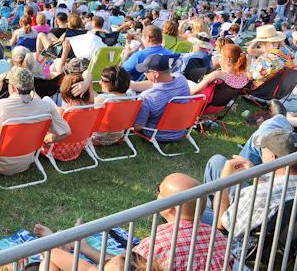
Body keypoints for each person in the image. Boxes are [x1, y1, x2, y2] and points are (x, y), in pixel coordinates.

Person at [34, 173, 230, 271]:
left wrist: (54, 248)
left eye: (158, 191)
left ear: (169, 207)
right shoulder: (218, 238)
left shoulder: (156, 245)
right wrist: (84, 248)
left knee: (49, 263)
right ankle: (70, 245)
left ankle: (49, 245)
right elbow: (125, 265)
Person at [203, 128, 297, 258]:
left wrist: (223, 180)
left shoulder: (259, 195)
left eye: (262, 149)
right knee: (217, 161)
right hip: (273, 234)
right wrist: (256, 176)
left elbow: (222, 225)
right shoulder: (282, 183)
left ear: (272, 157)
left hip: (238, 243)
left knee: (180, 205)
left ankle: (205, 233)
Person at [0, 68, 70, 176]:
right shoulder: (45, 107)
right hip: (26, 161)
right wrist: (46, 139)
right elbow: (66, 132)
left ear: (11, 87)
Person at [132, 54, 192, 141]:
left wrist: (133, 99)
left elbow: (138, 127)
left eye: (146, 72)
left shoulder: (147, 97)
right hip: (180, 131)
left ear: (156, 74)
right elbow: (158, 84)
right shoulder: (181, 79)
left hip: (156, 134)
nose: (145, 74)